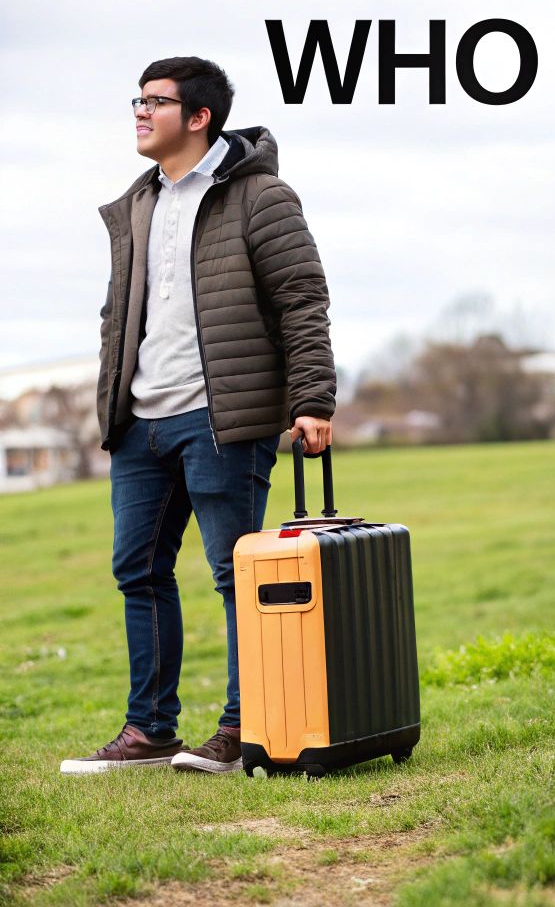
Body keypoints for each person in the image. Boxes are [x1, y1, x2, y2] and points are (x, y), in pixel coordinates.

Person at [60, 57, 335, 776]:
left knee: (235, 574)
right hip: (142, 423)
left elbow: (302, 298)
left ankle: (244, 727)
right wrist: (111, 398)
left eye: (155, 102)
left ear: (199, 116)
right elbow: (119, 314)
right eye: (138, 100)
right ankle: (150, 730)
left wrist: (311, 399)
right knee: (138, 570)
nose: (140, 113)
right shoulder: (137, 203)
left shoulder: (260, 197)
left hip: (224, 417)